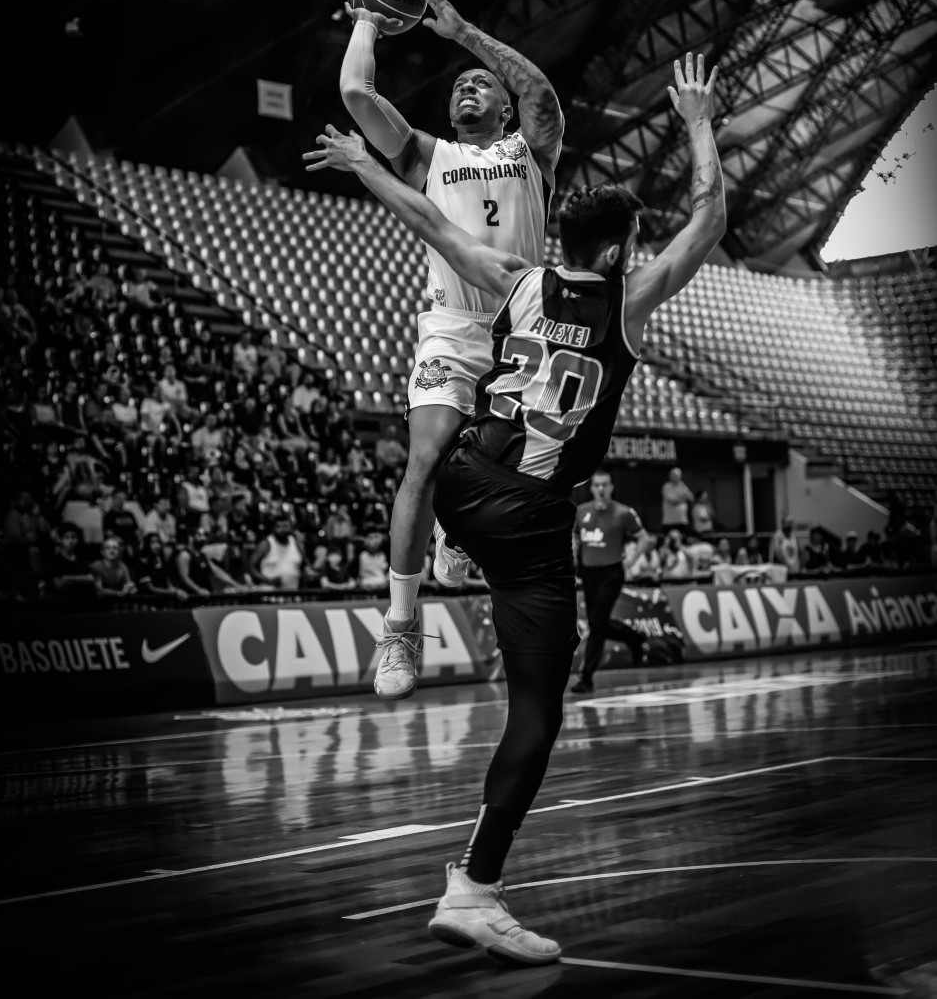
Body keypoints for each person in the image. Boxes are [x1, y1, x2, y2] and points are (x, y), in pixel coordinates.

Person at [305, 48, 725, 965]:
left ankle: (423, 590)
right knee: (535, 716)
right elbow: (708, 217)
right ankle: (474, 889)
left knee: (430, 459)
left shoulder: (515, 279)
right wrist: (695, 123)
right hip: (533, 516)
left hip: (461, 477)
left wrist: (361, 165)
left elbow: (426, 218)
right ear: (615, 254)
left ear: (559, 245)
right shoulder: (629, 301)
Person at [338, 0, 564, 701]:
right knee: (426, 457)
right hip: (449, 327)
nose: (468, 90)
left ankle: (456, 537)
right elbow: (356, 96)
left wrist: (461, 32)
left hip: (522, 330)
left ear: (500, 106)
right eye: (458, 86)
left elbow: (542, 95)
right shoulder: (427, 155)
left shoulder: (531, 152)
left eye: (480, 86)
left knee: (511, 475)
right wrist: (367, 24)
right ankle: (401, 629)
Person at [570, 470, 644, 694]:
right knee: (597, 623)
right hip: (588, 573)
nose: (601, 489)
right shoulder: (581, 512)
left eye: (605, 485)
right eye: (597, 485)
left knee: (598, 622)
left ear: (611, 487)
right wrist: (572, 558)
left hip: (611, 572)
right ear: (592, 488)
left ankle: (587, 676)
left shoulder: (624, 513)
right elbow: (574, 536)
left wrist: (630, 561)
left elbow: (644, 538)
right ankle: (634, 637)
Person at [249, 515, 304, 591]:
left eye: (285, 526)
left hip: (292, 594)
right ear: (273, 528)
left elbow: (305, 564)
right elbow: (251, 566)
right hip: (269, 594)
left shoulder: (297, 543)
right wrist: (267, 581)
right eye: (279, 527)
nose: (282, 530)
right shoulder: (266, 544)